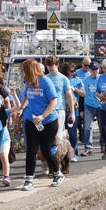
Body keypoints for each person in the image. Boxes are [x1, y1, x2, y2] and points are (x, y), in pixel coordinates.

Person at [19, 59, 64, 190]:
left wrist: (43, 116)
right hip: (31, 120)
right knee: (31, 151)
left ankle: (58, 174)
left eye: (25, 70)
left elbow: (53, 101)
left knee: (45, 150)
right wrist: (21, 108)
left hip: (49, 121)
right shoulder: (29, 82)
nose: (24, 73)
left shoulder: (45, 81)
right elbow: (27, 96)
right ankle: (29, 179)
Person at [0, 86, 20, 186]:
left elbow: (18, 106)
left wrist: (14, 95)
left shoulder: (5, 112)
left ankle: (6, 176)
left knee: (4, 156)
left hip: (4, 138)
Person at [45, 56, 75, 140]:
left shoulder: (64, 79)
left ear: (57, 65)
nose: (50, 68)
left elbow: (69, 96)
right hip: (47, 110)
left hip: (59, 109)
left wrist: (72, 113)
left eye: (52, 65)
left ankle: (58, 152)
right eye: (48, 65)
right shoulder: (45, 78)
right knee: (47, 135)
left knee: (58, 135)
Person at [61, 62, 85, 162]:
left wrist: (75, 89)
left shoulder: (77, 80)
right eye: (71, 71)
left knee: (72, 133)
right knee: (61, 134)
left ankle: (74, 153)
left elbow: (84, 93)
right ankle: (63, 154)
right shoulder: (61, 79)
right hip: (61, 110)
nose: (73, 72)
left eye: (74, 71)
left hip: (73, 112)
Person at [81, 61, 104, 156]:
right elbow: (82, 96)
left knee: (102, 126)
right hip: (89, 105)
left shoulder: (102, 79)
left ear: (99, 70)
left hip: (101, 105)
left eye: (96, 69)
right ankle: (88, 148)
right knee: (87, 127)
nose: (95, 71)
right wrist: (81, 109)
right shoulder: (86, 81)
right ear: (89, 70)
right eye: (93, 69)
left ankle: (103, 145)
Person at [75, 57, 91, 143]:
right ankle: (80, 132)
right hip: (78, 98)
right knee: (78, 120)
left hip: (87, 99)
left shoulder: (91, 73)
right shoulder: (77, 73)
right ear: (82, 64)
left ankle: (83, 136)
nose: (88, 67)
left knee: (86, 120)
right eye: (86, 65)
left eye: (89, 65)